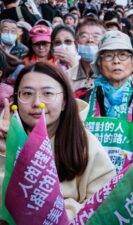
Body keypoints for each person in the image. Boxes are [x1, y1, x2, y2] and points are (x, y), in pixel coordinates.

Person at [0, 62, 115, 220]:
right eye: (27, 93)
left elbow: (104, 205)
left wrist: (57, 214)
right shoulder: (7, 140)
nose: (37, 103)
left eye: (47, 93)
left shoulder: (86, 144)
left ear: (64, 101)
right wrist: (5, 154)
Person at [80, 30, 133, 164]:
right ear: (99, 64)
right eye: (108, 56)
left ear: (132, 63)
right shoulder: (81, 101)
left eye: (123, 55)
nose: (116, 61)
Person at [73, 18, 105, 94]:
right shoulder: (66, 76)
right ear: (76, 42)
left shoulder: (111, 76)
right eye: (84, 36)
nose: (90, 40)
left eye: (96, 36)